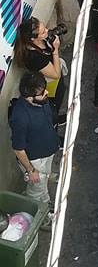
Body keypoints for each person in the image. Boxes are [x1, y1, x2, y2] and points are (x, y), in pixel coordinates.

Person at [10, 71, 60, 210]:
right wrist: (31, 170)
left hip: (48, 151)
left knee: (43, 180)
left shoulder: (41, 100)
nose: (46, 93)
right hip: (36, 160)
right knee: (36, 190)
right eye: (42, 92)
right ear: (29, 97)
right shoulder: (20, 117)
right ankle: (41, 210)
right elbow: (18, 148)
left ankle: (45, 196)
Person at [14, 17, 66, 115]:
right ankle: (54, 117)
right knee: (54, 102)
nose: (47, 31)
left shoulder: (40, 39)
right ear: (33, 38)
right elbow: (56, 75)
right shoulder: (33, 57)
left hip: (51, 70)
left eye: (45, 28)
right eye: (43, 32)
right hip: (49, 83)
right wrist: (55, 50)